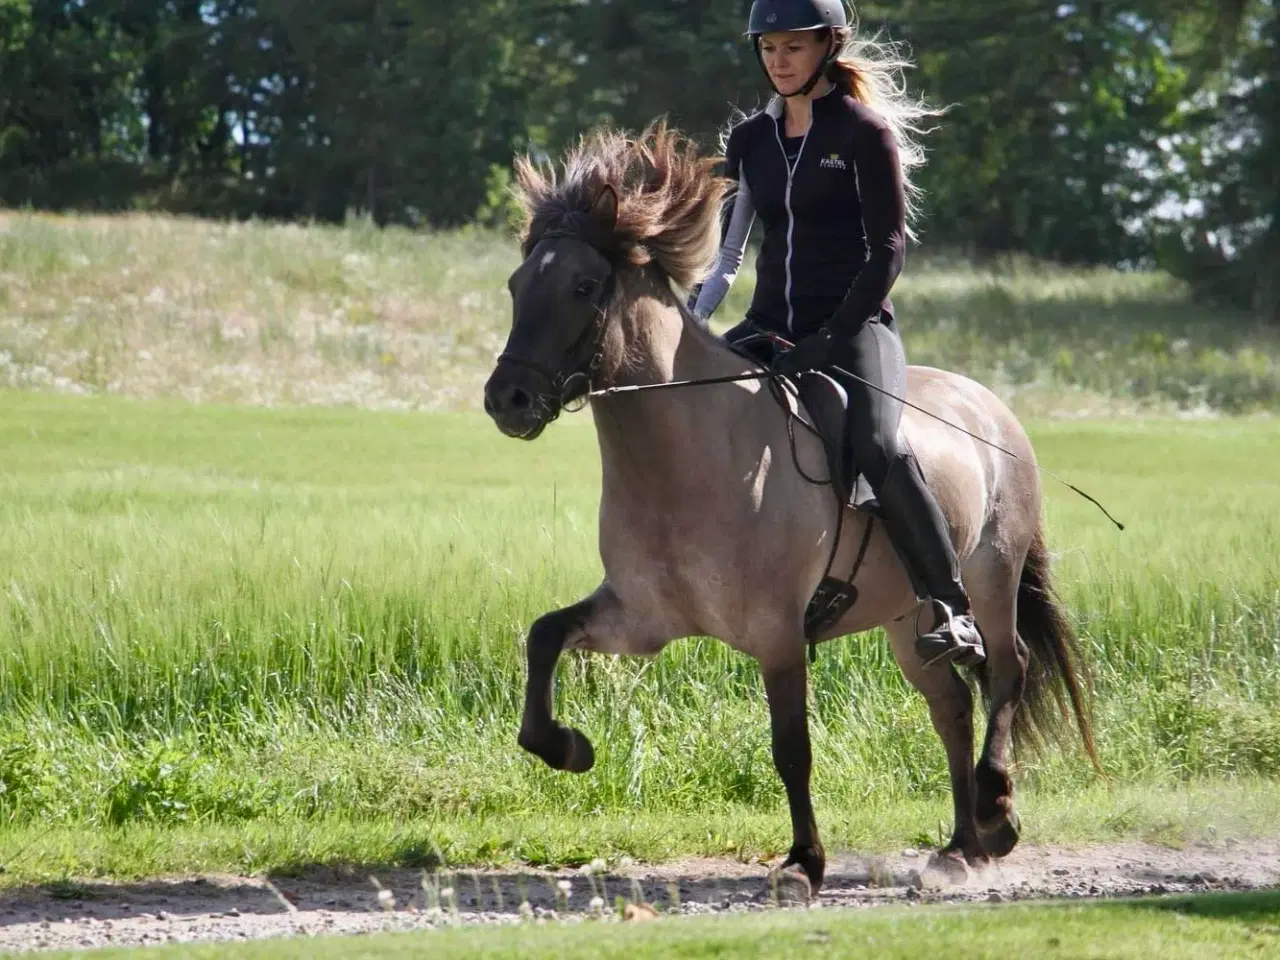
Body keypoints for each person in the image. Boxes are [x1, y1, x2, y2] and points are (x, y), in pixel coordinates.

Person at [690, 0, 985, 668]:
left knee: (878, 445)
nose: (779, 62)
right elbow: (727, 256)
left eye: (792, 48)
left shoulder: (862, 133)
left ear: (829, 46)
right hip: (769, 326)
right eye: (768, 50)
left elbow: (888, 252)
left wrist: (832, 334)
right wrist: (692, 323)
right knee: (697, 410)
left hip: (855, 329)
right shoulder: (751, 143)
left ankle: (952, 607)